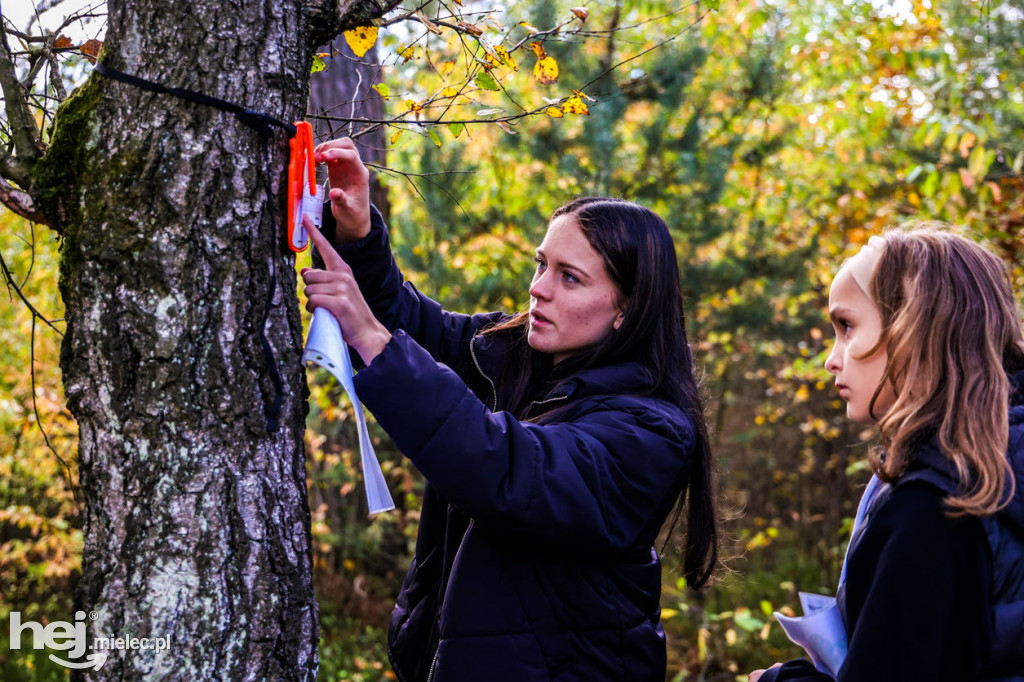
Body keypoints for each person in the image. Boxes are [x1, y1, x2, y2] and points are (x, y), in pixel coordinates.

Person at [300, 138, 719, 682]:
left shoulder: (652, 432)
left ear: (627, 310)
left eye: (569, 277)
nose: (537, 289)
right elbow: (414, 324)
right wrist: (357, 234)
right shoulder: (520, 355)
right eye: (542, 264)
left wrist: (371, 338)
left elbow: (504, 468)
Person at [749, 227, 1024, 682]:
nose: (831, 360)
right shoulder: (996, 467)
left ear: (915, 328)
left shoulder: (934, 505)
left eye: (847, 326)